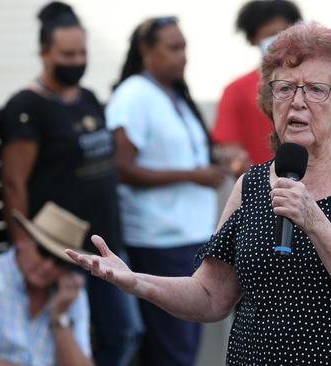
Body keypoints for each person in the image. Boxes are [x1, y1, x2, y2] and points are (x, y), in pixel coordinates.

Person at [70, 21, 331, 366]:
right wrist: (137, 282)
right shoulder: (251, 186)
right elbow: (210, 297)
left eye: (316, 89)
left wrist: (315, 222)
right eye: (284, 88)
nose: (297, 102)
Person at [0, 2, 143, 366]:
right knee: (98, 331)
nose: (76, 60)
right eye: (67, 54)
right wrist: (25, 245)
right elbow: (13, 182)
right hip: (59, 249)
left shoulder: (88, 99)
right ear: (44, 52)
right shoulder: (28, 106)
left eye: (82, 53)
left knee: (123, 332)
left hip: (106, 242)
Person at [105, 16, 226, 366]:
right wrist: (191, 175)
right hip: (159, 241)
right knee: (171, 351)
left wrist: (219, 157)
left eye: (184, 46)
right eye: (173, 48)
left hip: (192, 237)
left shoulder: (173, 95)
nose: (183, 56)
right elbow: (121, 168)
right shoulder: (133, 96)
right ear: (146, 51)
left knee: (184, 346)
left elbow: (180, 151)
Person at [0, 202, 92, 366]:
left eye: (59, 261)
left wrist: (60, 316)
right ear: (23, 239)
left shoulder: (71, 293)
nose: (47, 267)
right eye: (43, 252)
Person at [211, 0, 302, 166]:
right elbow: (231, 151)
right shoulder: (235, 90)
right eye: (270, 34)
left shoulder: (313, 83)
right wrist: (255, 181)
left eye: (284, 32)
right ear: (253, 38)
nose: (278, 39)